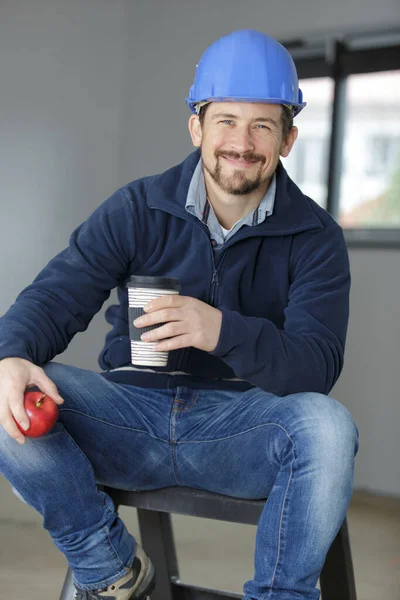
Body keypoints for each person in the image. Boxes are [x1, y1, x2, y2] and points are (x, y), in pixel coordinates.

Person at [0, 29, 359, 600]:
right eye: (226, 121)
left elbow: (315, 367)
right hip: (128, 421)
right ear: (197, 127)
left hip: (240, 430)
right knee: (5, 382)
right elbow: (57, 295)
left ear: (287, 139)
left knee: (329, 427)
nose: (241, 142)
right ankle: (109, 569)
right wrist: (10, 354)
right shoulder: (137, 209)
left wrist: (220, 330)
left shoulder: (315, 238)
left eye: (263, 125)